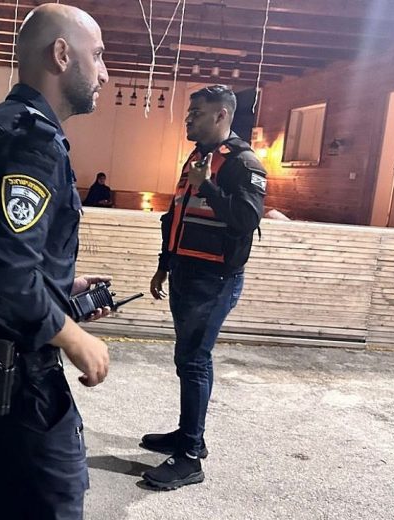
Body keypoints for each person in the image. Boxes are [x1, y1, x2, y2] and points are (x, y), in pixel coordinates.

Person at [0, 4, 110, 518]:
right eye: (98, 55)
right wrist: (74, 337)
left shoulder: (1, 128)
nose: (103, 73)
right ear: (61, 54)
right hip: (14, 383)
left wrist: (62, 287)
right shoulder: (30, 142)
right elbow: (7, 276)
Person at [141, 85, 266, 490]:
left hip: (215, 280)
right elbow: (175, 216)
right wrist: (164, 265)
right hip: (186, 272)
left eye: (196, 112)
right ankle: (189, 435)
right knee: (191, 359)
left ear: (221, 115)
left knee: (194, 360)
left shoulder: (244, 163)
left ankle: (190, 458)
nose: (188, 119)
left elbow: (246, 219)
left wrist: (208, 185)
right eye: (189, 112)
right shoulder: (197, 158)